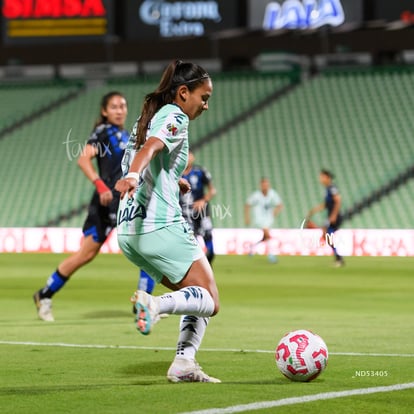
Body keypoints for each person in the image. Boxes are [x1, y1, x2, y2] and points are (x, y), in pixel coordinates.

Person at [115, 59, 220, 383]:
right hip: (159, 225)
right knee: (210, 299)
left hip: (130, 232)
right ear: (183, 92)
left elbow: (147, 158)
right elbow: (151, 149)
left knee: (193, 294)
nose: (205, 105)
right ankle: (154, 305)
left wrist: (174, 182)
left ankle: (183, 364)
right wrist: (133, 174)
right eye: (203, 97)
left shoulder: (146, 119)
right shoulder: (174, 115)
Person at [33, 91, 129, 322]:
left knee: (145, 244)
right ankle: (44, 294)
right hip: (105, 202)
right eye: (114, 107)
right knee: (85, 255)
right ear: (105, 111)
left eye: (123, 106)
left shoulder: (125, 134)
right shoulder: (102, 132)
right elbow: (83, 159)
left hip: (123, 200)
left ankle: (145, 305)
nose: (119, 110)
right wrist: (100, 186)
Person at [306, 169, 345, 267]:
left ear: (327, 178)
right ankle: (338, 258)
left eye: (322, 177)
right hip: (330, 216)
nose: (320, 179)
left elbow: (338, 201)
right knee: (326, 235)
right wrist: (315, 210)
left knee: (327, 234)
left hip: (334, 217)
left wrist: (334, 215)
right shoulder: (328, 189)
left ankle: (339, 259)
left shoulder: (332, 188)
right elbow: (327, 204)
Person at [244, 177, 283, 262]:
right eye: (263, 185)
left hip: (268, 219)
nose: (265, 186)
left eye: (266, 185)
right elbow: (247, 205)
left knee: (265, 237)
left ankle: (252, 247)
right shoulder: (256, 195)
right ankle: (271, 255)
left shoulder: (272, 194)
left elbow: (280, 205)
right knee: (267, 233)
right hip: (259, 219)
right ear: (261, 185)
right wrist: (247, 217)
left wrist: (275, 212)